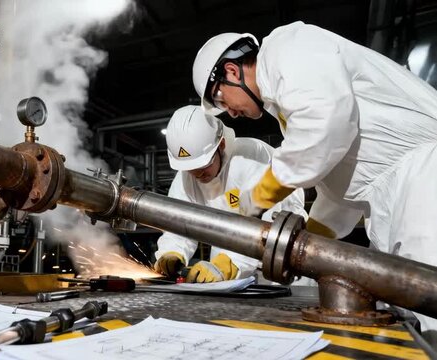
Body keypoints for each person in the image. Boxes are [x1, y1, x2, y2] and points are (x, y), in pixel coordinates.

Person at [192, 21, 437, 334]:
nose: (231, 113)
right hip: (390, 201)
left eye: (222, 100)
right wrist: (312, 234)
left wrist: (261, 193)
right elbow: (343, 190)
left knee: (431, 307)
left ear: (231, 71)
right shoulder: (285, 101)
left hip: (425, 179)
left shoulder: (289, 47)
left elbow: (327, 123)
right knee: (420, 323)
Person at [154, 105, 308, 283]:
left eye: (203, 165)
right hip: (225, 259)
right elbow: (178, 222)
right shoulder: (187, 177)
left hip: (282, 258)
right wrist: (173, 252)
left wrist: (231, 263)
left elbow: (264, 227)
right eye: (190, 169)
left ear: (222, 145)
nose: (198, 175)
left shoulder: (252, 157)